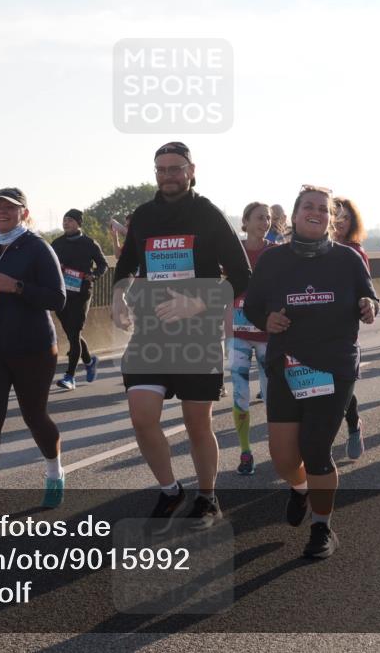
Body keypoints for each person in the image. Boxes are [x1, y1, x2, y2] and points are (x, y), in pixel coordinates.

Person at [112, 142, 251, 529]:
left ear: (191, 170)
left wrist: (199, 303)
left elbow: (242, 275)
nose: (168, 176)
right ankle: (170, 491)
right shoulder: (144, 216)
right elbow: (126, 264)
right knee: (141, 417)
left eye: (175, 168)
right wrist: (119, 295)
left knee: (196, 422)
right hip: (150, 333)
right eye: (161, 169)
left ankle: (207, 498)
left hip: (197, 335)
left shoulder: (207, 214)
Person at [243, 185, 378, 559]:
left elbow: (370, 296)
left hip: (334, 366)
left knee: (316, 450)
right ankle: (301, 489)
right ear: (295, 214)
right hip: (286, 364)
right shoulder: (273, 259)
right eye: (308, 206)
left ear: (331, 218)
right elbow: (252, 307)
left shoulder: (348, 259)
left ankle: (322, 527)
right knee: (284, 458)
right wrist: (266, 319)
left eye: (323, 208)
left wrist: (369, 305)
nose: (315, 212)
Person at [0, 187, 67, 521]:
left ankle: (54, 472)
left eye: (9, 208)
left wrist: (17, 287)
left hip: (32, 348)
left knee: (35, 416)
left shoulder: (38, 248)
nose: (1, 212)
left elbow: (58, 298)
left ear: (24, 214)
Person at [229, 201, 274, 475]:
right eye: (259, 217)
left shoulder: (276, 252)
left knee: (271, 396)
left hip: (268, 334)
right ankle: (245, 452)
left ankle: (276, 447)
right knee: (240, 393)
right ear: (245, 222)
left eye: (268, 218)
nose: (265, 222)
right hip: (239, 334)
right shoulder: (234, 251)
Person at [51, 209, 109, 390]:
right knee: (71, 333)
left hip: (81, 293)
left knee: (74, 332)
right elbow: (48, 263)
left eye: (70, 220)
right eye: (64, 220)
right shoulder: (57, 243)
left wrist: (94, 275)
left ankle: (70, 377)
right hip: (62, 294)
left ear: (78, 223)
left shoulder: (89, 243)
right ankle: (89, 361)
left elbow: (103, 265)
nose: (66, 223)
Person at [333, 197, 369, 459]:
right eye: (336, 217)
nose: (339, 222)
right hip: (313, 327)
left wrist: (367, 303)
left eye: (345, 218)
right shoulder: (310, 249)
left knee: (341, 382)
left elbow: (366, 290)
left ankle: (353, 424)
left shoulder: (355, 252)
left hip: (344, 328)